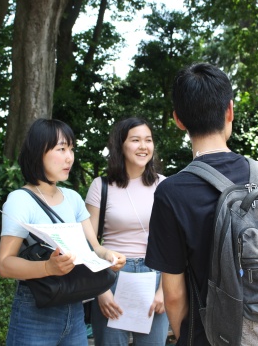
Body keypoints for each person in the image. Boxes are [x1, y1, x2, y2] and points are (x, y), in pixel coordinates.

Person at [144, 63, 258, 345]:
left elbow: (173, 294)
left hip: (210, 335)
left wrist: (188, 337)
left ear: (178, 120)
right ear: (229, 110)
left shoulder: (171, 192)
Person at [0, 118, 126, 346]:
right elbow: (5, 264)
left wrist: (109, 257)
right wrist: (48, 267)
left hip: (75, 307)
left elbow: (94, 247)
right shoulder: (20, 200)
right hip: (35, 311)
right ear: (39, 153)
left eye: (71, 149)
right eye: (61, 149)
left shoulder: (73, 198)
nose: (69, 157)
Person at [85, 117, 169, 346]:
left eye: (148, 140)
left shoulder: (165, 185)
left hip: (154, 277)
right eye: (135, 140)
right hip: (111, 277)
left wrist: (164, 291)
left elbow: (174, 244)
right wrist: (101, 290)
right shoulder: (100, 186)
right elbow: (89, 243)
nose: (143, 146)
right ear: (120, 145)